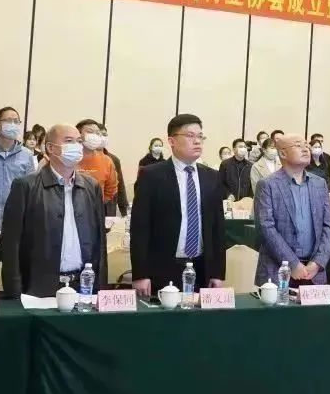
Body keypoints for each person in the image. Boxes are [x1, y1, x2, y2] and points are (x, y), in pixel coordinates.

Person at [0, 124, 107, 298]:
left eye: (79, 141)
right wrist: (14, 292)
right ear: (50, 148)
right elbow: (11, 243)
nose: (77, 146)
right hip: (38, 289)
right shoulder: (26, 186)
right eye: (69, 141)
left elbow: (99, 242)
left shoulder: (91, 186)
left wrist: (100, 288)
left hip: (82, 286)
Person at [130, 114, 225, 296]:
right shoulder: (151, 175)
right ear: (171, 141)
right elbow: (140, 227)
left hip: (201, 267)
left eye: (200, 136)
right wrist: (140, 273)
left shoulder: (211, 176)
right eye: (190, 136)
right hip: (163, 267)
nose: (197, 141)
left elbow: (218, 228)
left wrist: (217, 272)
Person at [253, 134, 330, 286]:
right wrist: (292, 264)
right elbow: (266, 228)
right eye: (298, 145)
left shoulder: (320, 184)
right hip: (278, 271)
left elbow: (328, 226)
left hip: (314, 272)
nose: (306, 149)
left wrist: (318, 262)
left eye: (306, 145)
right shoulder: (267, 185)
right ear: (283, 153)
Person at [75, 119, 118, 207]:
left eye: (97, 133)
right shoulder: (69, 158)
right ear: (78, 135)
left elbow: (111, 189)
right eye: (90, 132)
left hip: (95, 209)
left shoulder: (107, 161)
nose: (95, 136)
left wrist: (97, 203)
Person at [96, 123, 128, 217]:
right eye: (99, 135)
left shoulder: (113, 160)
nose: (102, 138)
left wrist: (123, 210)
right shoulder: (82, 158)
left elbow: (120, 185)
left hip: (108, 208)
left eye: (104, 135)